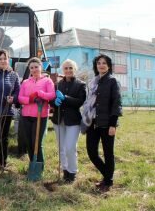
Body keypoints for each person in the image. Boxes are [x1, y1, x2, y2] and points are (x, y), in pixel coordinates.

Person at [82, 54, 121, 192]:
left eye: (104, 63)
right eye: (99, 63)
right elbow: (88, 102)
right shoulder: (93, 82)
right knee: (92, 152)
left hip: (106, 123)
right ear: (96, 65)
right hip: (92, 123)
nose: (101, 65)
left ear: (109, 66)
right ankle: (108, 176)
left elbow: (116, 103)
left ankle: (108, 181)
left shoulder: (113, 81)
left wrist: (113, 124)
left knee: (108, 153)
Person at [18, 57, 55, 179]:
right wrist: (30, 99)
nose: (34, 70)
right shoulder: (25, 82)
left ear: (41, 67)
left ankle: (40, 168)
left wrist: (40, 94)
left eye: (36, 67)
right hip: (26, 115)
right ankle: (33, 164)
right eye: (32, 68)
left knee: (37, 143)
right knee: (28, 143)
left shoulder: (47, 81)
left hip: (40, 115)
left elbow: (51, 95)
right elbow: (20, 98)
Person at [51, 59, 86, 183]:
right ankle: (65, 170)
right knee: (61, 147)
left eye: (70, 68)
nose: (68, 70)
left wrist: (65, 98)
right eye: (66, 68)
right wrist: (54, 102)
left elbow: (80, 101)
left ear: (74, 69)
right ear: (62, 70)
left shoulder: (81, 85)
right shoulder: (57, 85)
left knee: (70, 147)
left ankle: (72, 171)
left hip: (73, 121)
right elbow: (52, 100)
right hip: (58, 120)